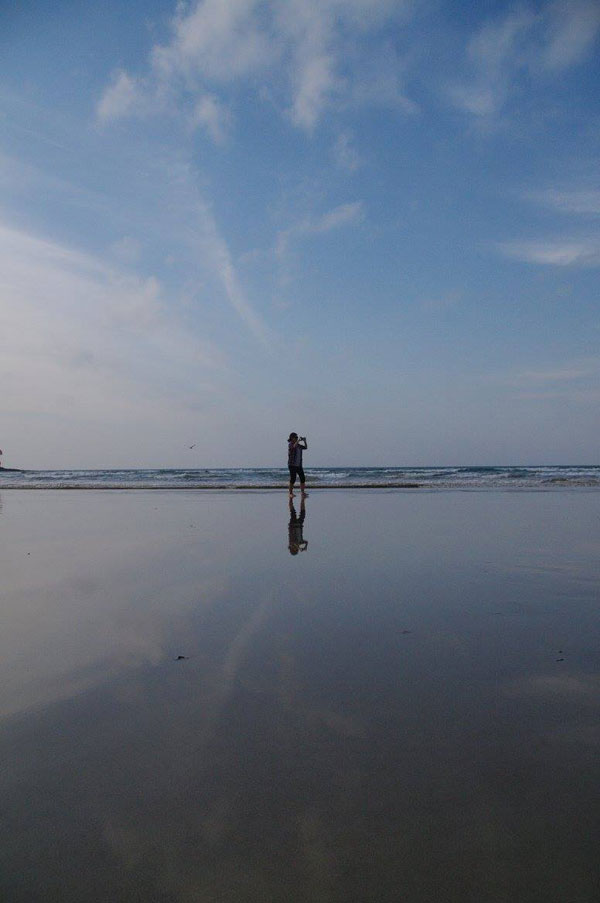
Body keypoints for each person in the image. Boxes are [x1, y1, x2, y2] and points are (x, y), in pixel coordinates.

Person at [287, 432, 307, 496]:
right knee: (293, 479)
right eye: (295, 437)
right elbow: (294, 447)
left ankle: (302, 492)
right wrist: (298, 441)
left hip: (299, 465)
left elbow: (305, 447)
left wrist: (304, 441)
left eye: (297, 437)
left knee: (302, 478)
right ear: (292, 438)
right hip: (292, 465)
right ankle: (290, 493)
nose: (296, 438)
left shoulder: (298, 445)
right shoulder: (290, 444)